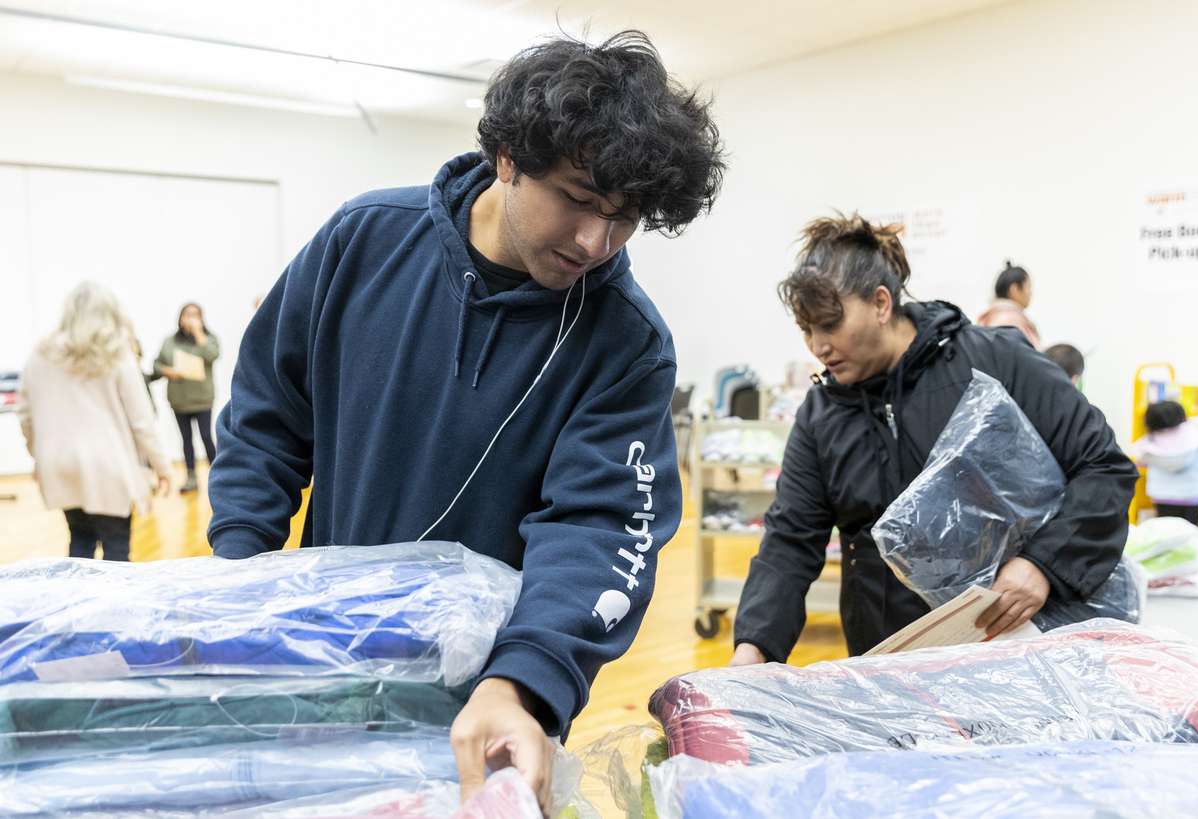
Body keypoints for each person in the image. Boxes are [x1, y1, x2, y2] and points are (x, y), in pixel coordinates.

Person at [206, 31, 723, 808]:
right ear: (507, 157)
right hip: (313, 660)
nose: (596, 240)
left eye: (626, 217)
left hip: (489, 703)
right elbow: (268, 413)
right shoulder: (364, 240)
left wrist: (523, 681)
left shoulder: (627, 340)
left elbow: (601, 527)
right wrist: (241, 572)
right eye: (580, 200)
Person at [730, 215, 1136, 667]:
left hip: (1020, 649)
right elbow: (790, 540)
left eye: (829, 325)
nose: (818, 346)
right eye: (807, 330)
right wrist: (753, 649)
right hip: (889, 665)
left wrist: (1044, 564)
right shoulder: (822, 414)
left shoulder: (994, 361)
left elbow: (1103, 466)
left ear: (881, 303)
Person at [18, 282, 172, 561]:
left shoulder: (38, 356)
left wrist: (39, 454)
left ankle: (79, 603)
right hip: (108, 465)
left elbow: (26, 416)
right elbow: (142, 420)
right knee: (115, 547)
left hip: (60, 463)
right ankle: (114, 606)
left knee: (79, 540)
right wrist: (162, 466)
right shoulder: (117, 354)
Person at [153, 303, 220, 493]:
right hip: (179, 401)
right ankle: (191, 478)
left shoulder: (208, 339)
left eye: (195, 315)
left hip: (202, 399)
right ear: (180, 318)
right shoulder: (170, 342)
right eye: (187, 315)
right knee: (186, 439)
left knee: (207, 436)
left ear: (201, 318)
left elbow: (213, 354)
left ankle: (218, 476)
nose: (190, 318)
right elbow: (157, 365)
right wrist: (168, 371)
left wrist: (199, 333)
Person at [1135, 400, 1198, 525]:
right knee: (1190, 530)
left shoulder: (1148, 444)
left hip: (1162, 495)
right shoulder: (1196, 436)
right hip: (1191, 494)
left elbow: (1139, 459)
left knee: (1165, 530)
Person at [977, 260, 1041, 348]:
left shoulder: (990, 318)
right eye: (1028, 287)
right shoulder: (1009, 321)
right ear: (1014, 289)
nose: (1030, 293)